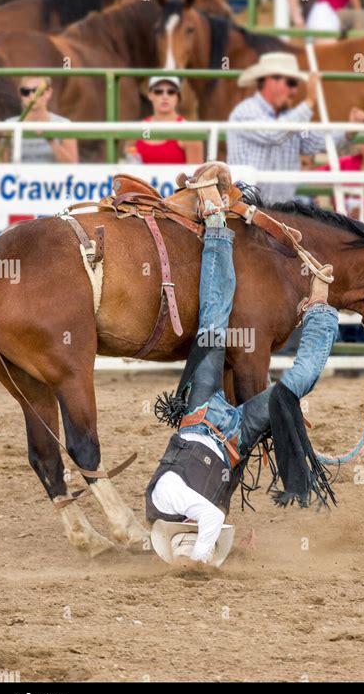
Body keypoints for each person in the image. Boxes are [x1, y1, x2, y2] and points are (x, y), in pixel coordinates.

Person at [145, 162, 339, 566]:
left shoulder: (162, 503)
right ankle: (320, 306)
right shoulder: (192, 511)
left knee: (214, 322)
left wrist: (200, 558)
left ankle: (216, 223)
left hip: (200, 413)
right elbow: (217, 512)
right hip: (235, 439)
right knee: (293, 388)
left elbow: (210, 516)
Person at [226, 52, 364, 205]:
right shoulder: (246, 111)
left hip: (277, 213)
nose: (294, 91)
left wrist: (350, 131)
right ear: (270, 81)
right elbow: (273, 133)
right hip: (244, 210)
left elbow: (320, 141)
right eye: (291, 83)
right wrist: (309, 101)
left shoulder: (290, 121)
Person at [5, 76, 78, 163]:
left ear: (49, 93)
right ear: (20, 94)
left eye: (37, 91)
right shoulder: (8, 125)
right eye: (25, 92)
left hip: (52, 176)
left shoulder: (64, 124)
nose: (32, 97)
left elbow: (73, 166)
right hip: (19, 176)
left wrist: (51, 141)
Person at [132, 76, 204, 164]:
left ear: (177, 97)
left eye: (171, 92)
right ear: (150, 95)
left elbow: (196, 174)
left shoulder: (190, 132)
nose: (165, 96)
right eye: (158, 91)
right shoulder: (138, 129)